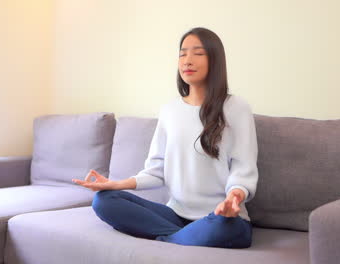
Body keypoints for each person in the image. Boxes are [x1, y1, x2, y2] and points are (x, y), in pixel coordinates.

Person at [72, 27, 259, 249]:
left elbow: (243, 169)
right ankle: (182, 238)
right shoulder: (170, 110)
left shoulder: (237, 108)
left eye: (198, 54)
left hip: (221, 218)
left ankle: (171, 240)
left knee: (225, 228)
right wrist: (117, 184)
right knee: (105, 201)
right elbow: (156, 169)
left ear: (215, 60)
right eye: (182, 54)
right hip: (175, 215)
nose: (187, 61)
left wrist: (234, 198)